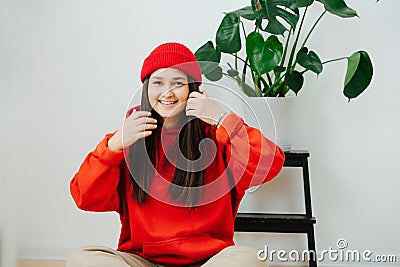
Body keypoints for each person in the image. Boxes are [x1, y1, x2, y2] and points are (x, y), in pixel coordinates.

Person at [67, 42, 285, 267]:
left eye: (178, 83)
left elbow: (271, 164)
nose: (167, 92)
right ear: (146, 89)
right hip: (143, 261)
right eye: (158, 83)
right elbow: (85, 196)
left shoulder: (219, 136)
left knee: (250, 260)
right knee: (81, 258)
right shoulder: (129, 140)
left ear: (193, 89)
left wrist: (222, 119)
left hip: (209, 261)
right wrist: (112, 147)